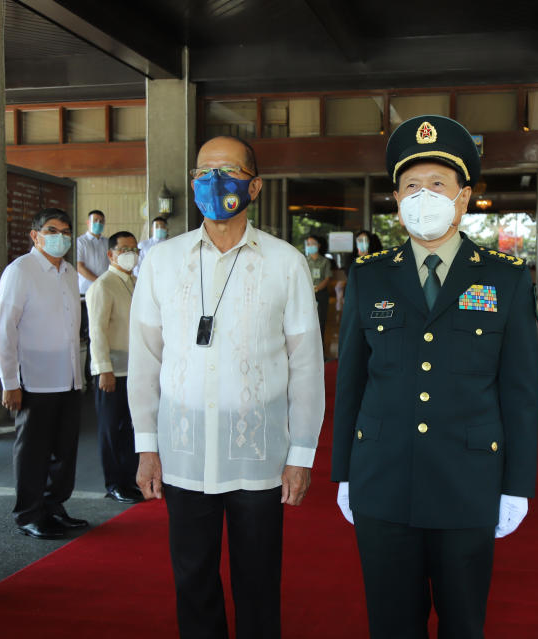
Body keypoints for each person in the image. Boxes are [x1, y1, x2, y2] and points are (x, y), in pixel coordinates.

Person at [332, 115, 538, 639]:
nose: (424, 196)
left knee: (463, 623)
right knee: (391, 624)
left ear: (464, 198)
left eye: (438, 185)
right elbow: (352, 381)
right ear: (398, 201)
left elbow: (519, 393)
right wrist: (344, 472)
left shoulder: (505, 278)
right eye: (411, 187)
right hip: (382, 479)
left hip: (467, 482)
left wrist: (516, 485)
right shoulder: (368, 274)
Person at [129, 135, 324, 639]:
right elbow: (146, 359)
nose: (214, 182)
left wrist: (301, 451)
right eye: (203, 172)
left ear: (254, 186)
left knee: (258, 584)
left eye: (229, 170)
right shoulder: (161, 261)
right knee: (192, 579)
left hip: (257, 455)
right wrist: (146, 446)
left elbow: (306, 364)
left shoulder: (285, 263)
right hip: (182, 452)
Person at [0, 208, 88, 540]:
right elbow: (5, 329)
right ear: (35, 235)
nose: (60, 236)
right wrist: (9, 381)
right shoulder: (21, 271)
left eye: (65, 231)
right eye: (52, 230)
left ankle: (54, 506)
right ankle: (29, 513)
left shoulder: (66, 272)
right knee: (33, 450)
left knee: (65, 450)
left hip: (68, 376)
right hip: (34, 378)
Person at [87, 231, 143, 504]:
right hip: (112, 372)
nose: (130, 253)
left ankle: (131, 479)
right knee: (112, 430)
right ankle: (114, 483)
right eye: (124, 249)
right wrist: (103, 368)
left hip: (134, 370)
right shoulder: (103, 285)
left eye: (134, 248)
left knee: (132, 428)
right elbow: (96, 330)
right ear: (111, 254)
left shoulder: (135, 283)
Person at [305, 234, 333, 336]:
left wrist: (316, 288)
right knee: (307, 320)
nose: (310, 245)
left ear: (319, 245)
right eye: (308, 244)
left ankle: (320, 345)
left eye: (313, 243)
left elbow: (327, 278)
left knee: (321, 320)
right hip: (307, 294)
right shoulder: (304, 261)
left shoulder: (325, 261)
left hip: (321, 294)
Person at [76, 209, 109, 295]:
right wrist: (98, 281)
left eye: (101, 221)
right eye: (95, 220)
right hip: (86, 289)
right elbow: (79, 266)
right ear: (88, 222)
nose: (98, 223)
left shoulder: (107, 242)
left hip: (105, 288)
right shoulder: (80, 242)